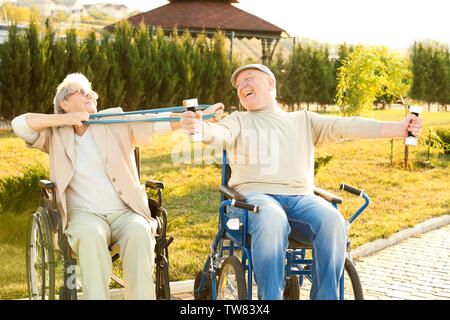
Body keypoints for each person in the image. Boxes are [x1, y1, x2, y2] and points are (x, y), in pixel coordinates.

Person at [180, 64, 422, 300]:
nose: (242, 86)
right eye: (238, 85)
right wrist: (199, 127)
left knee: (333, 220)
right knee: (272, 217)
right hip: (255, 199)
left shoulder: (303, 119)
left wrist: (399, 129)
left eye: (248, 79)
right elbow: (217, 133)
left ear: (270, 83)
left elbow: (346, 125)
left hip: (301, 199)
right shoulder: (238, 120)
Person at [11, 72, 223, 300]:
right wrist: (67, 120)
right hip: (84, 216)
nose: (89, 95)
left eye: (90, 92)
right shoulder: (55, 133)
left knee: (140, 232)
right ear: (64, 103)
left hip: (125, 212)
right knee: (91, 236)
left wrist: (184, 119)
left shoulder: (112, 119)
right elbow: (20, 124)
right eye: (80, 91)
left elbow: (152, 122)